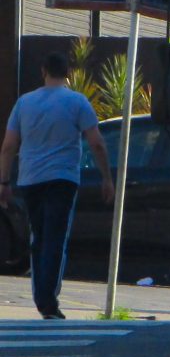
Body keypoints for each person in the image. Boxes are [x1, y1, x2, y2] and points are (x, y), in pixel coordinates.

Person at [0, 52, 114, 319]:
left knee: (39, 237)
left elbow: (8, 146)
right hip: (62, 178)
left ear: (43, 71)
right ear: (68, 73)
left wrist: (4, 181)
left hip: (30, 179)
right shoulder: (77, 102)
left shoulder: (24, 103)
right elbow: (96, 142)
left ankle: (43, 296)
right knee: (55, 238)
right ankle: (47, 299)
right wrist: (106, 177)